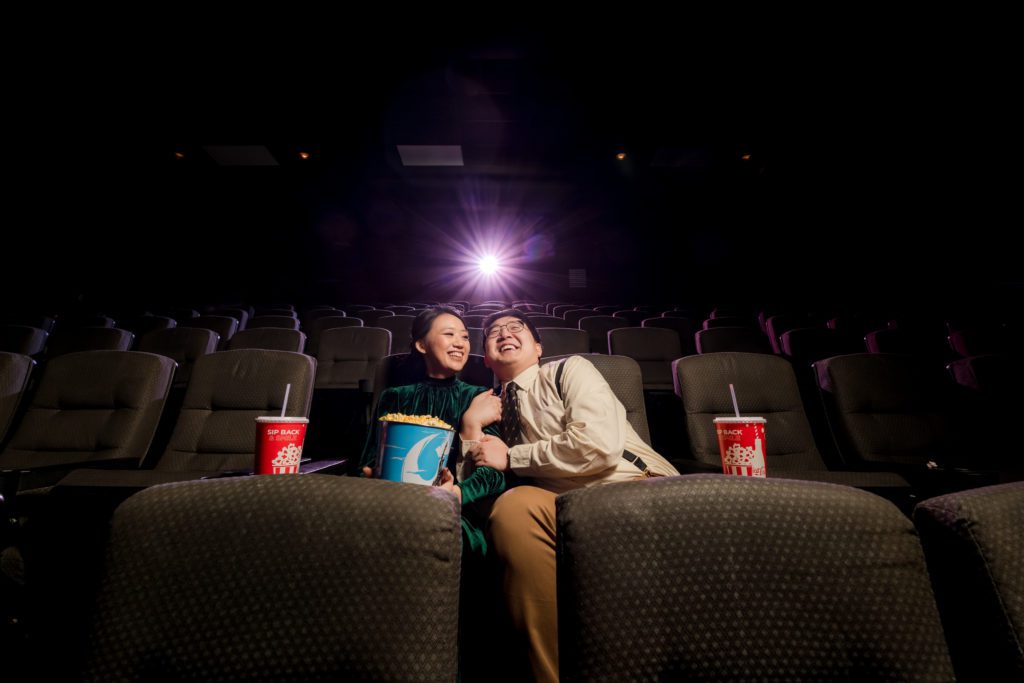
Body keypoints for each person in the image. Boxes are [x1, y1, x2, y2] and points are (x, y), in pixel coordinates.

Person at [468, 309, 679, 683]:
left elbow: (597, 445)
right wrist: (471, 424)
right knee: (512, 509)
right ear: (486, 357)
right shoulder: (488, 407)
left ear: (537, 347)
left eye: (516, 328)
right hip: (559, 504)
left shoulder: (569, 370)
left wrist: (512, 457)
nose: (504, 333)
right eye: (493, 333)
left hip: (628, 482)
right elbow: (477, 486)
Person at [359, 306, 505, 555]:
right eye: (449, 334)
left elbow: (494, 475)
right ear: (421, 345)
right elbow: (368, 461)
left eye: (465, 337)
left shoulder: (478, 398)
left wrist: (456, 493)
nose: (460, 343)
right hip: (392, 502)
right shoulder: (394, 396)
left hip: (454, 510)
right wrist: (373, 476)